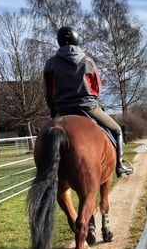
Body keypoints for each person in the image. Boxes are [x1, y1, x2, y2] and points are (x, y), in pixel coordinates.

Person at [43, 26, 133, 176]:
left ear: (59, 41)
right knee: (117, 130)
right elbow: (96, 87)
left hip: (62, 110)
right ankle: (120, 166)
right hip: (88, 107)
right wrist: (91, 100)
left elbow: (48, 91)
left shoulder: (51, 63)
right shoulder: (88, 61)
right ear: (76, 39)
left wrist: (53, 110)